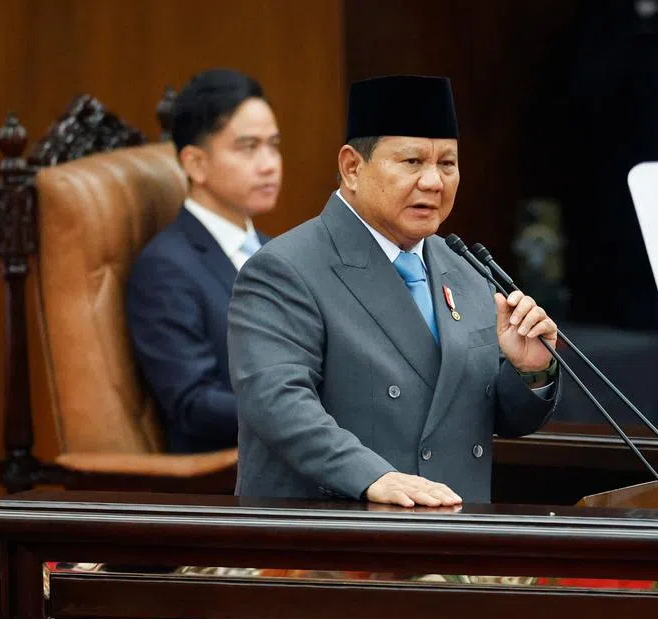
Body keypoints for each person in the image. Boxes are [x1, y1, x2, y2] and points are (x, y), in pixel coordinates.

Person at [228, 75, 559, 506]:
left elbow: (487, 417)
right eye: (412, 162)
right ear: (352, 167)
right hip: (336, 530)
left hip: (459, 529)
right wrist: (372, 476)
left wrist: (529, 371)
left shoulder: (465, 269)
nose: (433, 182)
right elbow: (278, 403)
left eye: (447, 164)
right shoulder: (285, 269)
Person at [126, 69, 281, 453]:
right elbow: (194, 405)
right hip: (233, 473)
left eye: (274, 145)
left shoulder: (278, 252)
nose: (269, 164)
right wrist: (302, 416)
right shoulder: (165, 269)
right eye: (248, 148)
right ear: (195, 163)